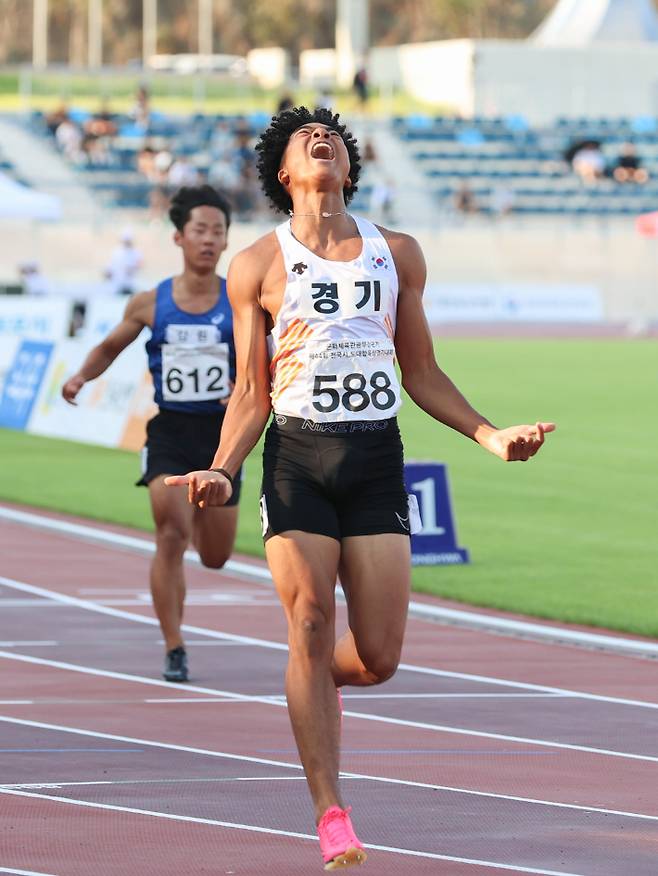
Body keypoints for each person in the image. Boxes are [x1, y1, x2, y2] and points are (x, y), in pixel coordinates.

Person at [164, 107, 555, 870]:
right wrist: (222, 466)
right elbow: (250, 391)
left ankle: (310, 684)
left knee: (376, 658)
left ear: (349, 165)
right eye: (307, 137)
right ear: (285, 172)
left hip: (376, 458)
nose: (323, 138)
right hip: (297, 457)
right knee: (310, 620)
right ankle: (331, 812)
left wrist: (489, 435)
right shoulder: (256, 264)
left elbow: (422, 373)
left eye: (334, 137)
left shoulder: (396, 252)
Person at [62, 186, 241, 683]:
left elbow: (269, 358)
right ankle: (174, 645)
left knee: (215, 556)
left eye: (218, 231)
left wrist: (246, 386)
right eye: (200, 230)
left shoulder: (242, 301)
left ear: (227, 240)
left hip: (225, 438)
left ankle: (202, 512)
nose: (209, 240)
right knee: (170, 535)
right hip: (170, 432)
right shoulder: (150, 303)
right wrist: (80, 377)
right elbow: (108, 348)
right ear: (179, 237)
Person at [105, 229, 143, 297]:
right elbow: (110, 268)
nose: (127, 242)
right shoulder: (117, 252)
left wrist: (132, 269)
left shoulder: (135, 252)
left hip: (131, 285)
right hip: (118, 285)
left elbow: (140, 264)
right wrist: (108, 273)